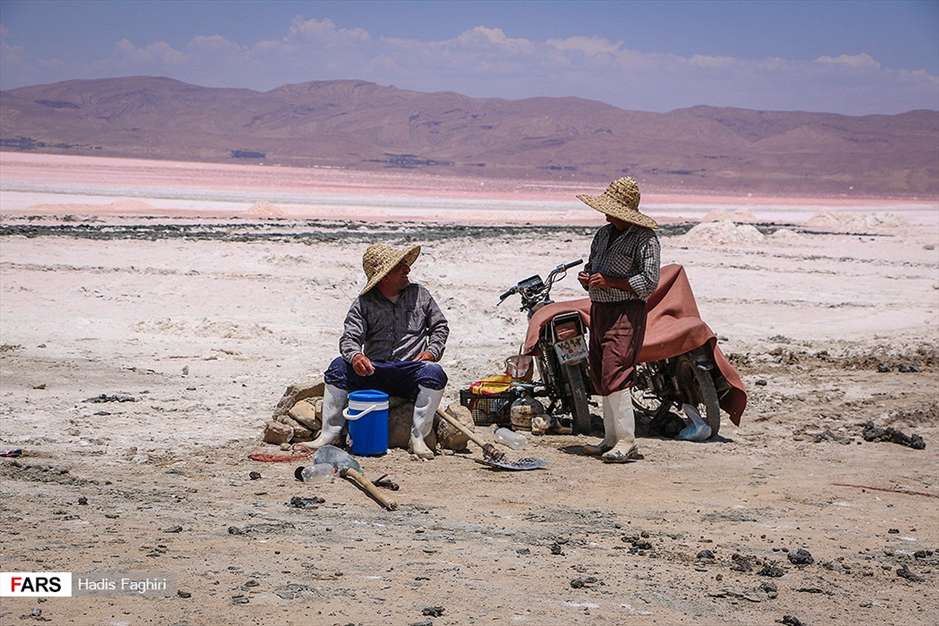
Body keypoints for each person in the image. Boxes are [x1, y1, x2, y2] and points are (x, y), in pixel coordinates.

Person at [306, 243, 450, 460]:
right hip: (374, 371)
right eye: (399, 267)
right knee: (337, 367)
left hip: (410, 372)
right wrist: (356, 357)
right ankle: (329, 434)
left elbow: (440, 327)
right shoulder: (363, 304)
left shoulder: (421, 295)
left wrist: (431, 352)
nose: (407, 270)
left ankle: (418, 437)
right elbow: (349, 338)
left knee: (435, 373)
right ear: (384, 277)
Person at [576, 176, 661, 462]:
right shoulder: (602, 234)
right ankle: (610, 438)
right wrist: (588, 279)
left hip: (626, 312)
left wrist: (612, 281)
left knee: (617, 370)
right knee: (601, 371)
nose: (605, 213)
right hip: (599, 310)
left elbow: (649, 282)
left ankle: (627, 440)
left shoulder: (645, 239)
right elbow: (592, 266)